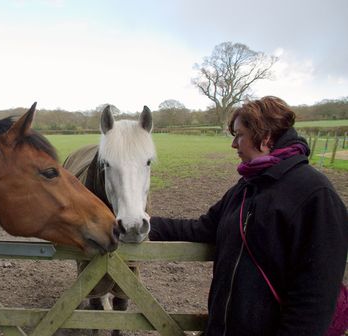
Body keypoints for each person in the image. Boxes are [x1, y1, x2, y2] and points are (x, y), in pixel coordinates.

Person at [149, 96, 348, 336]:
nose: (234, 144)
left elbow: (315, 297)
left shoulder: (315, 195)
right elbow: (203, 228)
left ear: (264, 137)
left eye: (239, 135)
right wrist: (145, 225)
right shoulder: (247, 187)